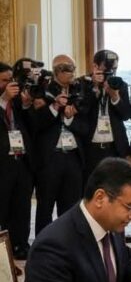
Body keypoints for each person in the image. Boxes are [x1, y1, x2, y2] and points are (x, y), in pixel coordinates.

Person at [30, 55, 90, 234]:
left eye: (73, 68)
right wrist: (55, 108)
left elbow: (86, 127)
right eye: (67, 69)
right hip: (50, 157)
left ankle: (68, 242)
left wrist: (70, 119)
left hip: (73, 156)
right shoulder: (42, 90)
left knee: (71, 207)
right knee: (45, 206)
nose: (71, 73)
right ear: (56, 71)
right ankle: (43, 242)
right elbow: (36, 124)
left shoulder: (80, 91)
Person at [0, 62, 34, 259]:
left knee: (22, 206)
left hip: (22, 160)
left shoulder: (17, 101)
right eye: (4, 81)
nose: (9, 84)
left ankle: (20, 245)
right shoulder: (5, 100)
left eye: (10, 80)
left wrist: (27, 104)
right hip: (2, 162)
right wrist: (3, 100)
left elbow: (32, 125)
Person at [82, 49, 131, 182]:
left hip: (114, 147)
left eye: (114, 69)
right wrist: (94, 88)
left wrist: (115, 97)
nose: (111, 72)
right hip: (90, 148)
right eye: (107, 69)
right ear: (95, 66)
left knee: (114, 187)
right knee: (91, 186)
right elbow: (82, 112)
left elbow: (126, 115)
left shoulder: (120, 85)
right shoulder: (83, 83)